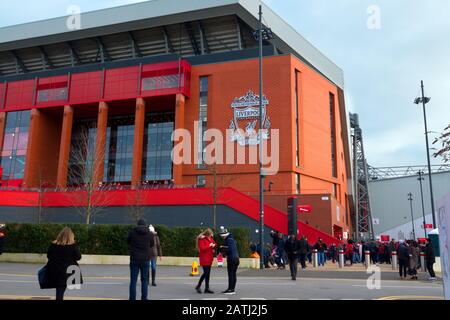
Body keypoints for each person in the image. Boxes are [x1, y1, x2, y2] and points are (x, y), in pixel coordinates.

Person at [45, 227, 82, 300]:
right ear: (71, 236)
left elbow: (48, 256)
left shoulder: (53, 245)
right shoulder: (73, 246)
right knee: (60, 289)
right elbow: (78, 257)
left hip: (54, 270)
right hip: (67, 271)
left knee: (59, 289)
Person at [127, 219, 154, 300]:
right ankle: (144, 298)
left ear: (137, 225)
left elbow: (128, 242)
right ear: (146, 225)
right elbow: (152, 244)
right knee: (144, 280)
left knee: (133, 280)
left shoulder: (132, 233)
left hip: (134, 259)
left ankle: (132, 298)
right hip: (145, 259)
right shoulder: (150, 234)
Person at [219, 227, 240, 295]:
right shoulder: (232, 239)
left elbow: (229, 250)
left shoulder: (228, 240)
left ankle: (230, 290)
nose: (222, 237)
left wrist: (222, 248)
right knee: (233, 274)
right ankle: (232, 289)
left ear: (224, 235)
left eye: (222, 236)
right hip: (236, 258)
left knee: (231, 274)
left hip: (231, 259)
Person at [195, 228, 217, 294]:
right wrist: (209, 245)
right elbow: (202, 248)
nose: (211, 236)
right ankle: (198, 286)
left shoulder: (210, 239)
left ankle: (207, 288)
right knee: (206, 273)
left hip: (209, 258)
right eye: (210, 234)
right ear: (207, 234)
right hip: (204, 258)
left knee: (208, 274)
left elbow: (215, 243)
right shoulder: (202, 239)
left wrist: (213, 245)